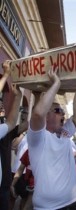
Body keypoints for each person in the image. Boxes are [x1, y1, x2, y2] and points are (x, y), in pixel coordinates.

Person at [27, 67, 76, 209]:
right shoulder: (38, 138)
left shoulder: (65, 133)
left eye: (63, 112)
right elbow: (38, 114)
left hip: (74, 201)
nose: (63, 114)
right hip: (48, 207)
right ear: (47, 115)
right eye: (58, 111)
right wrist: (56, 83)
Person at [0, 62, 25, 210]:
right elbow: (11, 122)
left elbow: (20, 126)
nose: (2, 106)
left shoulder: (5, 131)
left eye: (2, 104)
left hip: (4, 187)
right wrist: (7, 74)